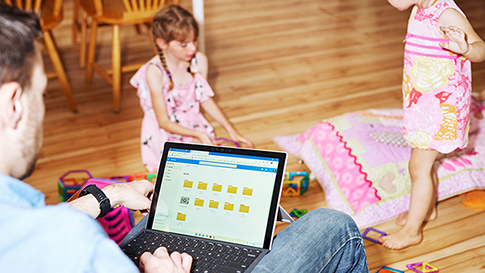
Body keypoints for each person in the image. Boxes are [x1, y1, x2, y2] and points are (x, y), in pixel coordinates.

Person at [0, 5, 369, 273]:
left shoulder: (25, 218)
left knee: (165, 221)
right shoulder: (70, 242)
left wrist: (105, 196)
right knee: (333, 225)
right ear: (13, 102)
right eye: (43, 93)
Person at [380, 0, 485, 250]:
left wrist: (465, 48)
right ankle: (426, 211)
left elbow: (481, 48)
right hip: (424, 103)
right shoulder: (420, 9)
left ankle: (412, 231)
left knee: (418, 166)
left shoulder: (446, 13)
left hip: (442, 109)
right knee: (424, 164)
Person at [130, 5, 254, 173]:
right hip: (165, 132)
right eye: (183, 45)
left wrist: (231, 130)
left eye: (195, 40)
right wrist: (199, 135)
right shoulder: (154, 72)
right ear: (162, 43)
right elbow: (164, 122)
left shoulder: (199, 61)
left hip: (192, 123)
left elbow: (205, 99)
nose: (193, 48)